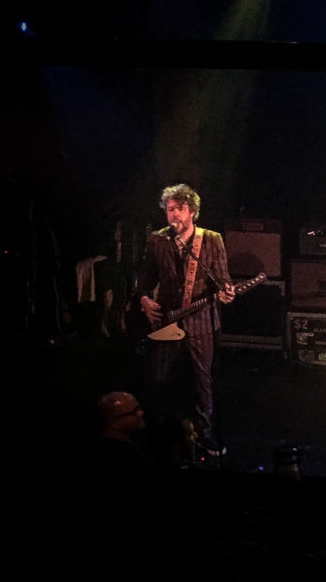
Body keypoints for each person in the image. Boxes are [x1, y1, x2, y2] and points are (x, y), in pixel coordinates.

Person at [134, 183, 234, 460]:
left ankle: (204, 434)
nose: (173, 215)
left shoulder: (212, 239)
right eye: (169, 210)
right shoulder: (157, 240)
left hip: (201, 321)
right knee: (157, 378)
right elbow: (144, 281)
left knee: (203, 379)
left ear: (193, 212)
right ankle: (157, 431)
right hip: (166, 321)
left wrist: (226, 292)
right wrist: (144, 300)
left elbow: (223, 279)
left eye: (179, 209)